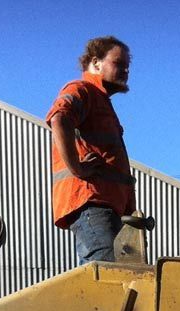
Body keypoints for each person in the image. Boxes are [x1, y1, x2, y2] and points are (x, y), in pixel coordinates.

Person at [46, 37, 136, 263]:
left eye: (127, 67)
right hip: (92, 203)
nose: (125, 71)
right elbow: (59, 118)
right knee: (106, 281)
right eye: (118, 64)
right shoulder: (82, 90)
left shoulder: (102, 103)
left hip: (107, 209)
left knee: (116, 280)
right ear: (96, 63)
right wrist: (77, 167)